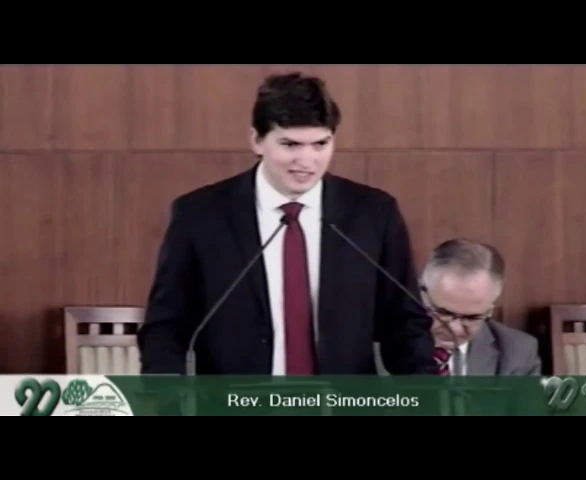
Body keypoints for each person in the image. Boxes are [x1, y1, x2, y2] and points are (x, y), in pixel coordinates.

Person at [137, 71, 437, 375]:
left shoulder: (373, 213)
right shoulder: (200, 215)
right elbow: (167, 326)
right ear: (257, 140)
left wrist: (425, 392)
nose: (307, 161)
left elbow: (405, 324)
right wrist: (165, 392)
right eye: (291, 145)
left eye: (320, 144)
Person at [418, 238, 540, 376]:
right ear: (420, 294)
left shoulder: (519, 353)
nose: (455, 329)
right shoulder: (395, 341)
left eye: (471, 318)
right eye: (443, 312)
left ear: (489, 310)